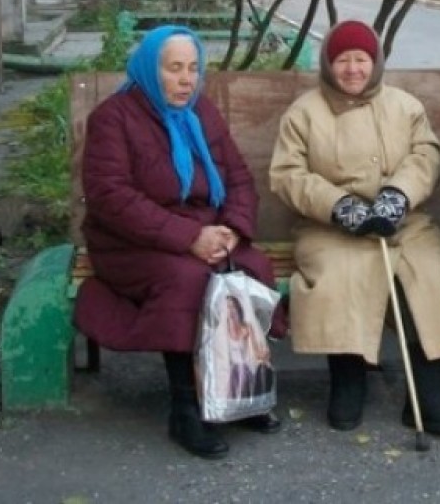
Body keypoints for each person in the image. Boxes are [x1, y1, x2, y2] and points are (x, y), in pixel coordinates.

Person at [74, 25, 286, 461]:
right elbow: (111, 198)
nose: (186, 80)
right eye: (174, 69)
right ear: (151, 71)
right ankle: (187, 408)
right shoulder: (113, 118)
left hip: (206, 231)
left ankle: (241, 391)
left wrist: (232, 229)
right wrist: (189, 237)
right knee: (188, 281)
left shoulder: (201, 112)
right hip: (131, 244)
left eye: (193, 69)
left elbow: (239, 177)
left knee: (252, 268)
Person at [268, 20, 440, 435]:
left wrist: (397, 196)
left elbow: (426, 155)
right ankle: (347, 381)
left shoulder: (404, 106)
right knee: (341, 277)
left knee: (430, 276)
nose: (353, 69)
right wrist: (341, 207)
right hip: (330, 227)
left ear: (374, 63)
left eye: (361, 59)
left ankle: (428, 391)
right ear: (329, 64)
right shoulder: (304, 112)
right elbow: (288, 174)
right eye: (343, 60)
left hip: (402, 222)